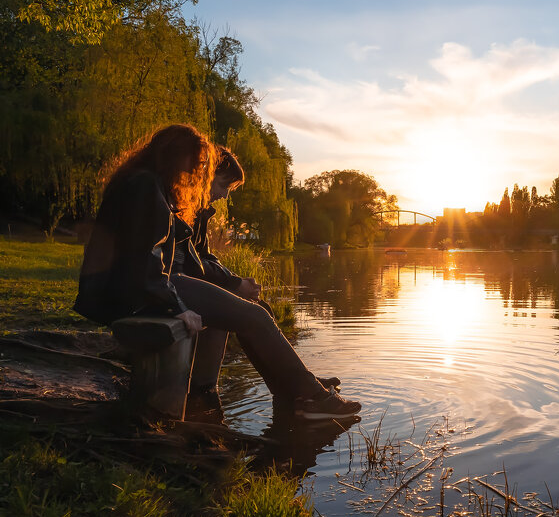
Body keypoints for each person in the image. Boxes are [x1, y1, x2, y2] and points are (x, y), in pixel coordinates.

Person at [74, 124, 359, 418]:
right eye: (197, 163)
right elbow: (145, 259)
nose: (199, 173)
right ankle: (309, 395)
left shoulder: (150, 184)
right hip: (133, 293)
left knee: (248, 313)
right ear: (176, 156)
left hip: (139, 287)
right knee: (255, 315)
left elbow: (158, 257)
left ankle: (294, 392)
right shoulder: (145, 186)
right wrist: (175, 307)